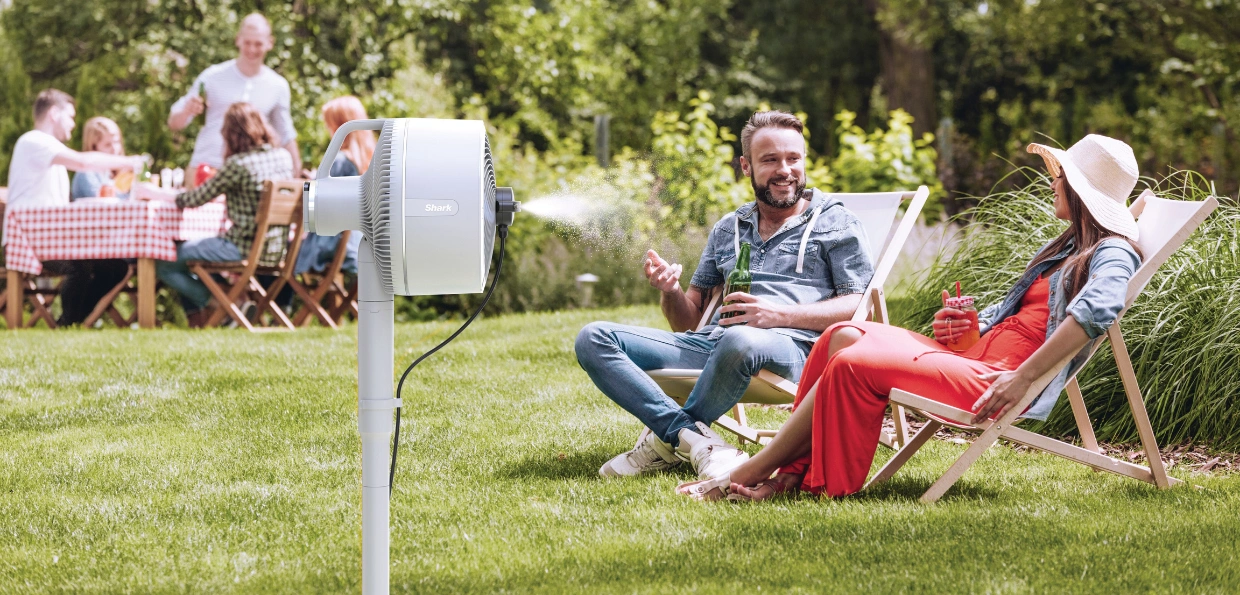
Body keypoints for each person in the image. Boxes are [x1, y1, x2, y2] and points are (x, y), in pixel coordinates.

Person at [677, 134, 1145, 501]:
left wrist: (1023, 379)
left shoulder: (1113, 252)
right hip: (975, 359)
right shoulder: (1069, 248)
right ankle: (792, 475)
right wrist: (970, 329)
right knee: (842, 334)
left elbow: (1098, 311)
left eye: (1060, 176)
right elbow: (1022, 322)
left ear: (1081, 191)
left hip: (999, 381)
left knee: (854, 364)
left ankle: (757, 471)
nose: (1052, 182)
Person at [575, 110, 875, 481]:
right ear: (746, 167)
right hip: (713, 344)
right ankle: (692, 439)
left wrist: (777, 315)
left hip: (795, 349)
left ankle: (663, 444)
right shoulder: (728, 227)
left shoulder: (836, 222)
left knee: (741, 339)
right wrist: (670, 292)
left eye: (794, 158)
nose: (785, 170)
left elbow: (858, 306)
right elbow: (687, 321)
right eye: (770, 160)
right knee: (593, 337)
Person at [134, 103, 294, 328]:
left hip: (241, 248)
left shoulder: (237, 164)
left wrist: (156, 193)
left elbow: (194, 199)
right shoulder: (283, 157)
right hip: (276, 249)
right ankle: (234, 302)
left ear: (231, 134)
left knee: (165, 260)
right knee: (193, 253)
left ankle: (223, 304)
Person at [4, 89, 143, 325]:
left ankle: (73, 321)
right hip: (28, 242)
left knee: (115, 268)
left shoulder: (50, 151)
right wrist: (130, 162)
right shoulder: (34, 141)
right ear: (54, 114)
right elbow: (82, 161)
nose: (74, 123)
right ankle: (68, 323)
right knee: (79, 268)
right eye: (70, 116)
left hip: (51, 239)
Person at [167, 13, 301, 180]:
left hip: (250, 178)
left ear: (270, 43)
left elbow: (286, 135)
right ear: (238, 40)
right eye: (247, 43)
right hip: (207, 169)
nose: (252, 49)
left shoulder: (278, 86)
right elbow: (174, 123)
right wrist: (187, 111)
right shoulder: (212, 77)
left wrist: (297, 181)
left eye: (258, 44)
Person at [294, 95, 371, 277]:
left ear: (339, 127)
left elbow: (319, 207)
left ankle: (280, 304)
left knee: (285, 253)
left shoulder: (339, 160)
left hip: (333, 248)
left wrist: (312, 184)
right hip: (364, 246)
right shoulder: (372, 163)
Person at [71, 117, 127, 200]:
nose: (114, 149)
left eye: (116, 142)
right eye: (107, 145)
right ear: (94, 148)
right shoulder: (86, 173)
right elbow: (105, 201)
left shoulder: (106, 173)